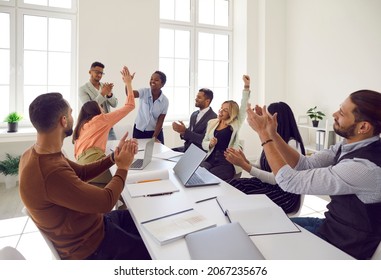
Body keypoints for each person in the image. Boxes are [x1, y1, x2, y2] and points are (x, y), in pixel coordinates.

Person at [246, 89, 381, 260]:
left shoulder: (364, 167)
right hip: (330, 226)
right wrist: (272, 133)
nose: (334, 114)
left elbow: (289, 182)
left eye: (341, 113)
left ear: (363, 127)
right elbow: (305, 164)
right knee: (267, 229)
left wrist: (263, 135)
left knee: (269, 245)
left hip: (343, 247)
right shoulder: (347, 146)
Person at [19, 92, 150, 260]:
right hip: (93, 247)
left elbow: (82, 173)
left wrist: (113, 158)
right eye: (71, 113)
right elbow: (106, 201)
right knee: (154, 251)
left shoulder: (34, 154)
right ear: (63, 120)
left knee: (141, 219)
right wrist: (123, 167)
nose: (74, 117)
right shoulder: (50, 172)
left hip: (96, 225)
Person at [225, 102, 306, 214]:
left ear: (278, 120)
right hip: (267, 184)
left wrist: (245, 166)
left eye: (266, 117)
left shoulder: (291, 144)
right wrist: (245, 162)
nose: (263, 120)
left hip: (283, 193)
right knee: (232, 185)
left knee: (244, 201)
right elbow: (260, 166)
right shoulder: (269, 139)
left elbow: (275, 179)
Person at [73, 66, 135, 188]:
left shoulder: (81, 127)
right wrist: (128, 83)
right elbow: (130, 105)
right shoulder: (101, 119)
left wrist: (109, 93)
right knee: (128, 177)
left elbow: (114, 102)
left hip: (82, 170)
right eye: (101, 107)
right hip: (94, 165)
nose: (103, 108)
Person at [200, 75, 251, 181]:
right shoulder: (212, 123)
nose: (221, 111)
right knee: (198, 173)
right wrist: (210, 144)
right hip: (210, 159)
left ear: (231, 113)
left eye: (225, 110)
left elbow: (243, 106)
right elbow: (204, 142)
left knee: (210, 179)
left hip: (226, 162)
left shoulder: (235, 123)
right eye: (221, 108)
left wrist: (246, 86)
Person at [126, 70, 169, 144]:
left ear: (162, 84)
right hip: (139, 131)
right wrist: (128, 82)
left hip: (155, 132)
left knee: (157, 153)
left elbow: (160, 121)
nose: (153, 81)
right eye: (151, 79)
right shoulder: (144, 92)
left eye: (156, 80)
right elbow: (129, 94)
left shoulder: (165, 101)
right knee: (138, 153)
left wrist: (154, 137)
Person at [79, 61, 118, 140]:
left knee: (114, 149)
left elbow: (115, 104)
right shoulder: (83, 89)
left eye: (101, 73)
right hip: (94, 127)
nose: (99, 75)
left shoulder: (105, 86)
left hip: (108, 126)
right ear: (90, 72)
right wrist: (103, 93)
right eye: (97, 72)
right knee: (98, 151)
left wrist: (109, 94)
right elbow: (89, 108)